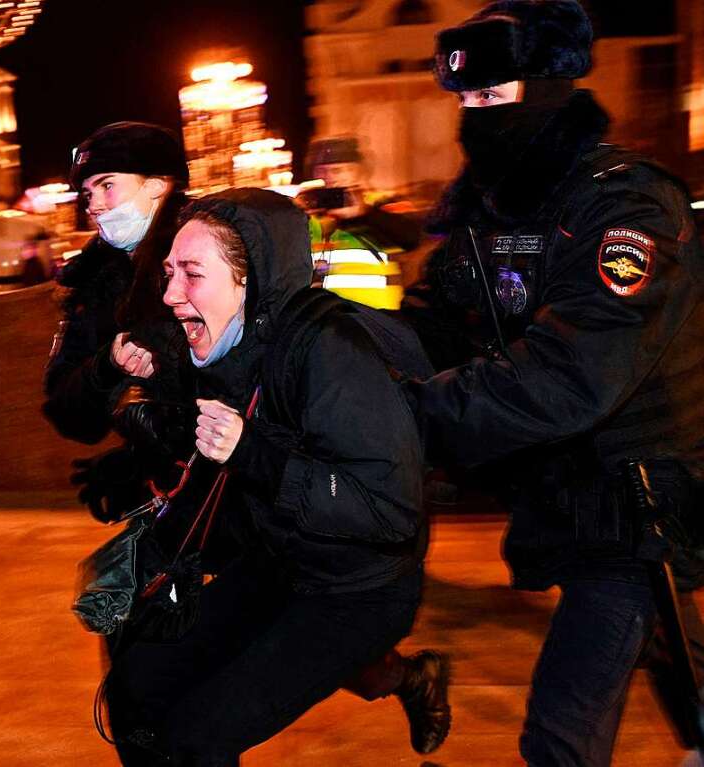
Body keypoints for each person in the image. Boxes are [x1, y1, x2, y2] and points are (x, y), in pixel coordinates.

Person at [401, 2, 704, 764]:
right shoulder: (487, 212)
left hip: (640, 514)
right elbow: (427, 325)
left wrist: (407, 413)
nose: (474, 118)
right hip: (568, 500)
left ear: (548, 90)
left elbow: (570, 376)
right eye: (464, 101)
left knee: (560, 737)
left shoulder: (625, 206)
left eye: (492, 98)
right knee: (686, 681)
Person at [105, 188, 441, 764]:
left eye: (191, 274)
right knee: (136, 684)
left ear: (250, 279)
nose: (170, 294)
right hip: (281, 563)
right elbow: (211, 456)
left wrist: (253, 453)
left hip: (357, 591)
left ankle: (413, 677)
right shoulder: (233, 342)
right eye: (168, 274)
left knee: (199, 738)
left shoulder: (332, 352)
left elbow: (387, 511)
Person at [42, 121, 192, 522]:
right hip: (173, 497)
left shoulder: (213, 258)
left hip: (240, 490)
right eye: (88, 192)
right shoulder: (93, 283)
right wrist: (106, 367)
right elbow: (66, 411)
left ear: (157, 184)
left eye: (108, 185)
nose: (94, 204)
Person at [298, 136, 424, 309]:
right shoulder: (312, 214)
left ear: (358, 171)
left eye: (338, 170)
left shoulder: (381, 205)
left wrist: (362, 215)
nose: (330, 178)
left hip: (377, 319)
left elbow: (411, 238)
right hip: (330, 322)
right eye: (322, 172)